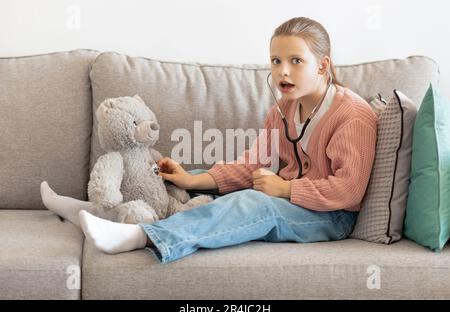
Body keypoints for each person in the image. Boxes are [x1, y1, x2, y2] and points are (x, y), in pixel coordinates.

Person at [41, 17, 377, 264]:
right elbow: (251, 166)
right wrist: (191, 178)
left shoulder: (353, 116)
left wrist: (286, 189)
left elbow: (348, 190)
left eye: (295, 61)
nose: (282, 72)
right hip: (292, 198)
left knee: (253, 204)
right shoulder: (283, 109)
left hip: (331, 216)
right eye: (276, 61)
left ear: (323, 66)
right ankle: (96, 212)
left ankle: (141, 235)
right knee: (182, 185)